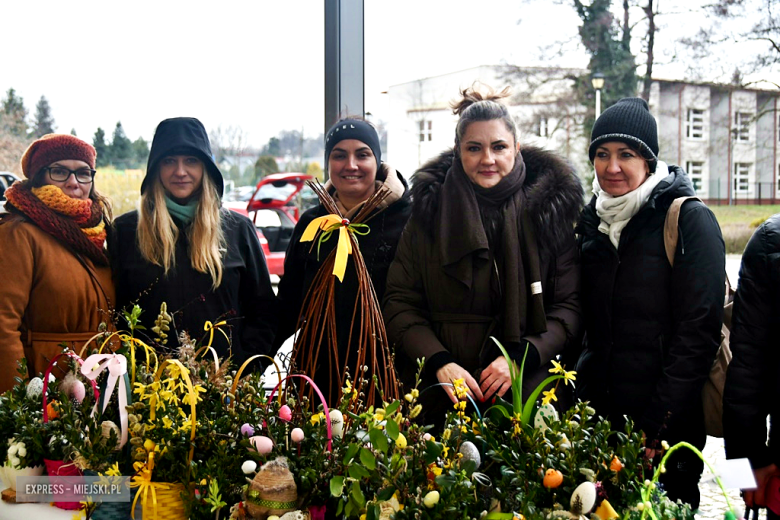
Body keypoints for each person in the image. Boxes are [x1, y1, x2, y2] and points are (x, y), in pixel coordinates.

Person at [382, 86, 583, 428]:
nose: (487, 159)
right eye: (474, 148)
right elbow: (399, 303)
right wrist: (438, 362)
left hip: (526, 393)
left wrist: (521, 359)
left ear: (516, 149)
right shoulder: (428, 216)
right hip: (441, 397)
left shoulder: (549, 213)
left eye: (499, 147)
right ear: (459, 152)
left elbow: (569, 307)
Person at [575, 98, 725, 508]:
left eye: (627, 154)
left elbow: (699, 331)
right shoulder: (591, 223)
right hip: (598, 423)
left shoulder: (688, 220)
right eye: (602, 155)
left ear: (649, 160)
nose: (612, 167)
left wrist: (656, 425)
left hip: (666, 430)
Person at [111, 117, 276, 363]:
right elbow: (114, 314)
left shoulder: (237, 230)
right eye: (169, 161)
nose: (180, 172)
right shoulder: (126, 231)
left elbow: (264, 313)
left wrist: (244, 370)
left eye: (191, 160)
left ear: (205, 168)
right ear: (156, 168)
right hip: (148, 392)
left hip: (223, 391)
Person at [273, 117, 412, 406]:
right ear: (328, 162)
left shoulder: (406, 219)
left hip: (384, 374)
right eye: (339, 155)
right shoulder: (313, 222)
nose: (351, 165)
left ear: (377, 160)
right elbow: (289, 301)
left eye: (362, 154)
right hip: (317, 373)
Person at [0, 134, 114, 391]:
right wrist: (17, 404)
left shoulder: (101, 234)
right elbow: (3, 326)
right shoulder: (18, 233)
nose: (73, 182)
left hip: (100, 386)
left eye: (83, 173)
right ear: (40, 177)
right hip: (46, 389)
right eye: (60, 172)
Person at [724, 213, 780, 518]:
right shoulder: (770, 242)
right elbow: (748, 368)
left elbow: (747, 367)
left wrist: (746, 469)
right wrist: (747, 466)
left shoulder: (769, 240)